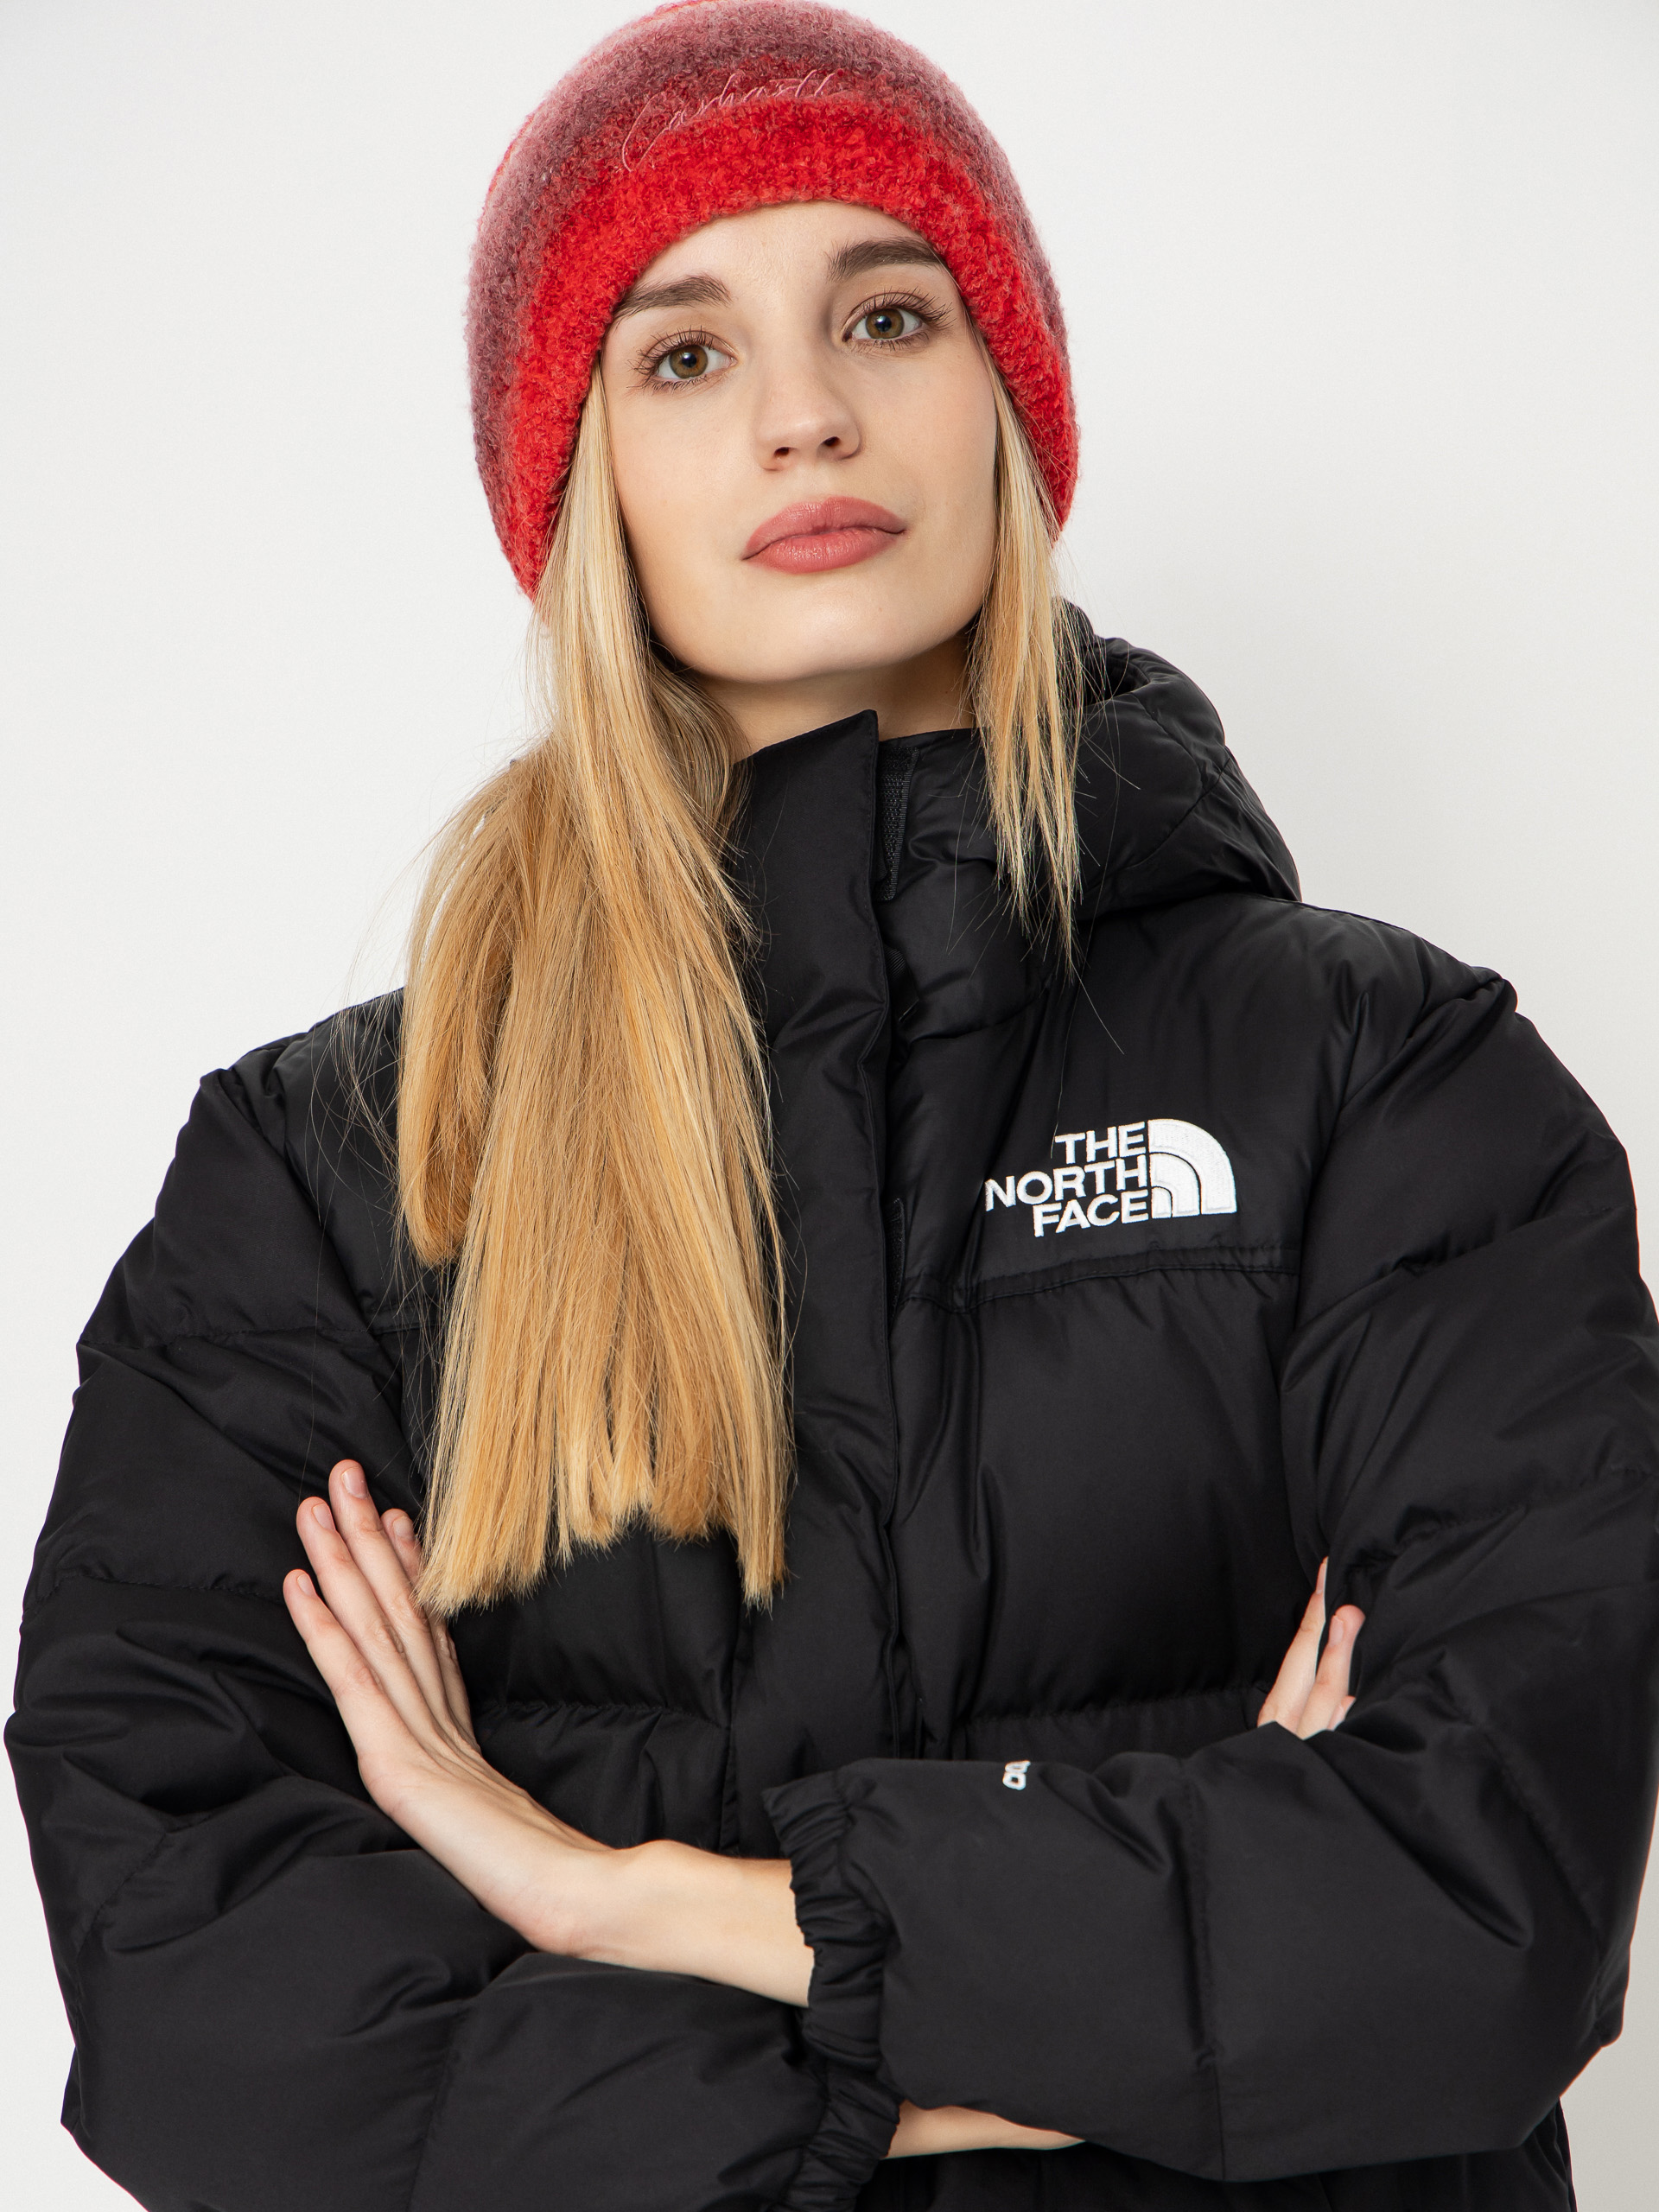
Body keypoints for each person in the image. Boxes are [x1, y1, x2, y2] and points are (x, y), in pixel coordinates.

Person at [10, 3, 1658, 2208]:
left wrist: (628, 1897)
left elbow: (1477, 1905)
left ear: (1008, 405)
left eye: (890, 313)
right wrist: (1017, 2047)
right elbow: (210, 2010)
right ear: (576, 472)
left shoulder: (1384, 1077)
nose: (806, 411)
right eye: (685, 353)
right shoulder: (340, 1174)